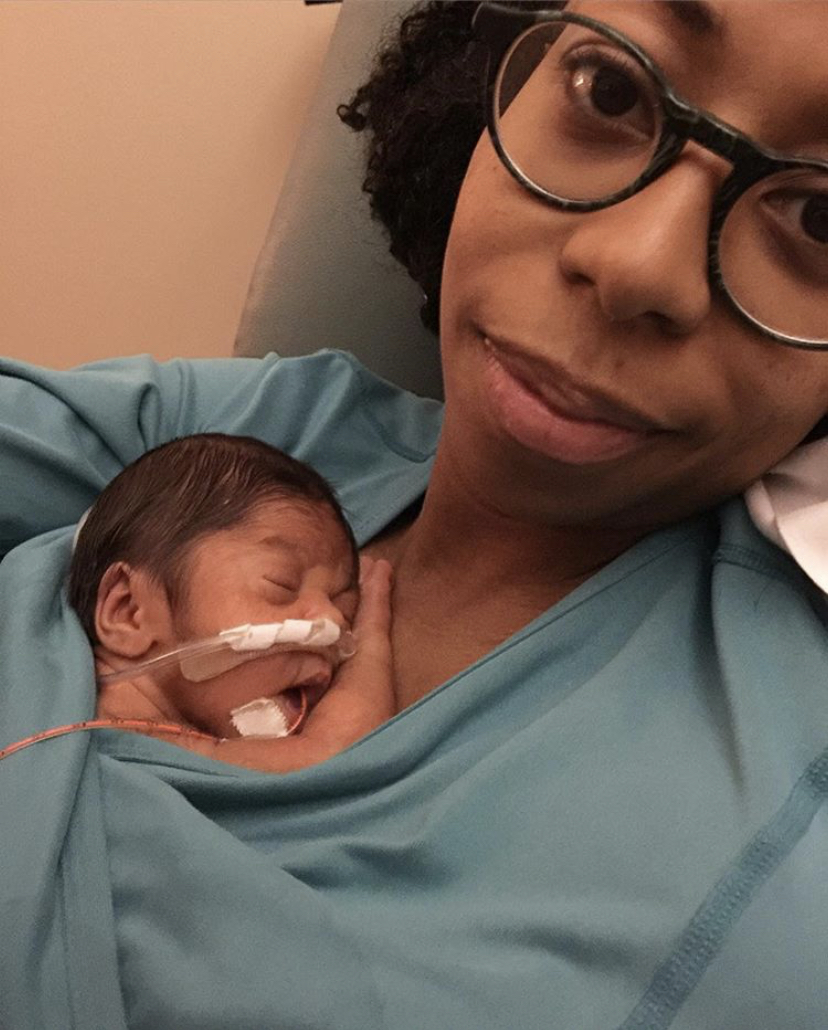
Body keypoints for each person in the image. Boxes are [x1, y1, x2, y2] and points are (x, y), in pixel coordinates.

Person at [2, 2, 828, 1028]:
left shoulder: (786, 827)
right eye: (610, 88)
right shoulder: (263, 426)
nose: (636, 263)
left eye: (821, 221)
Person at [65, 432, 394, 771]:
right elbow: (330, 754)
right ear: (129, 611)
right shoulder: (120, 736)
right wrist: (371, 636)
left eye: (346, 611)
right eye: (281, 585)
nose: (332, 623)